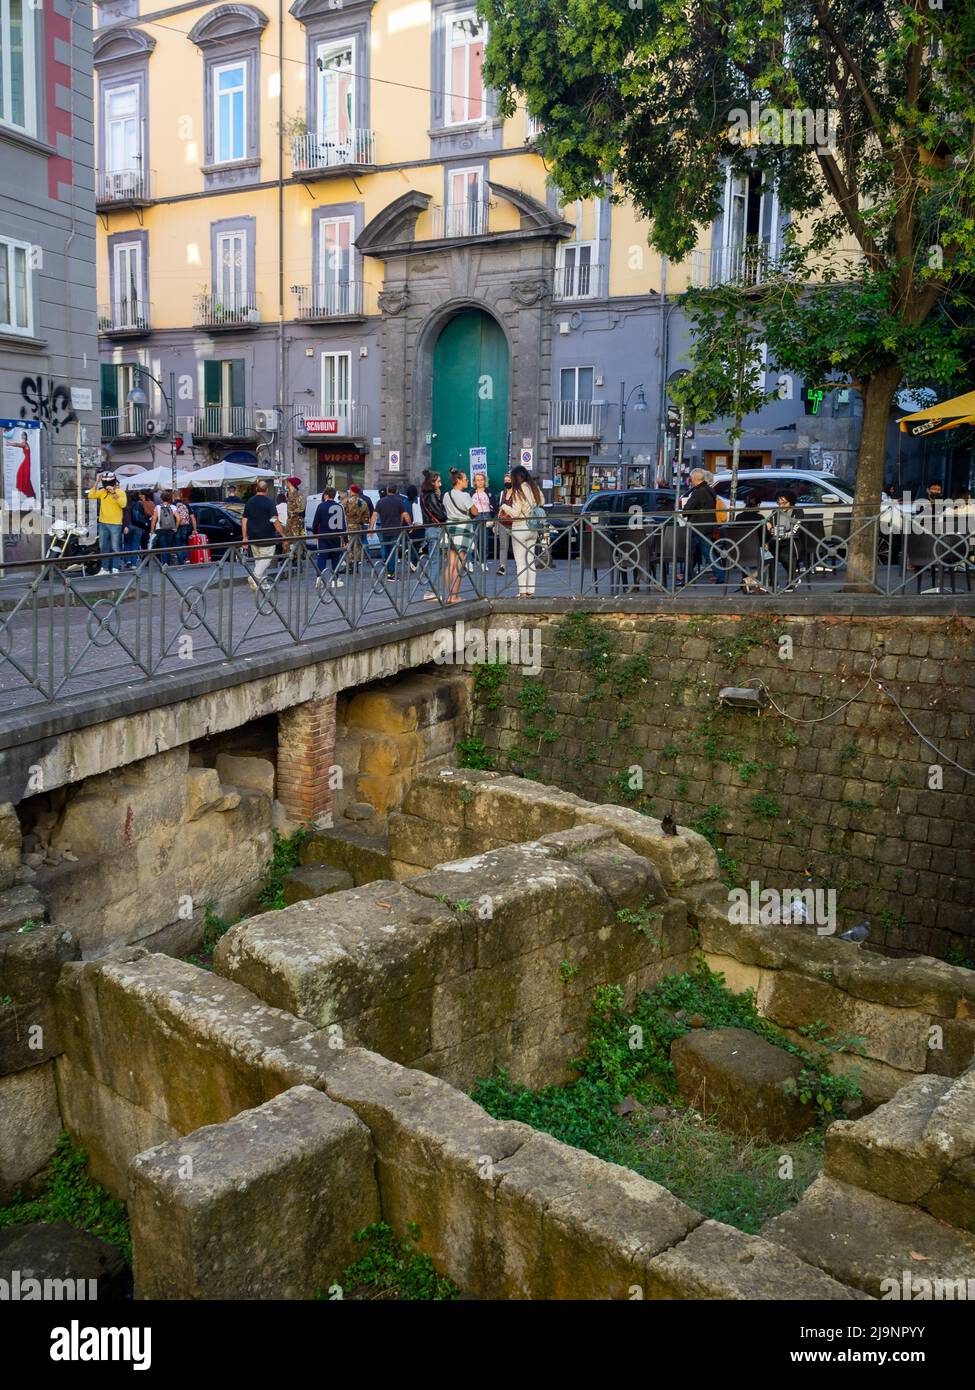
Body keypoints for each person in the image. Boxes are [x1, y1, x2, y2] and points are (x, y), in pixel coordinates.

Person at [499, 465, 544, 598]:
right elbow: (542, 500)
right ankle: (531, 591)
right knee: (530, 561)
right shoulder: (533, 487)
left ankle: (523, 592)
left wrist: (504, 506)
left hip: (520, 528)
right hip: (533, 528)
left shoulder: (518, 491)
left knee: (520, 562)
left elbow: (516, 513)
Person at [681, 468, 725, 584]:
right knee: (708, 552)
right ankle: (720, 576)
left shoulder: (697, 492)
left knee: (690, 553)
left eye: (690, 479)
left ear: (695, 479)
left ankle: (687, 578)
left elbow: (686, 510)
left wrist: (687, 510)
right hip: (707, 525)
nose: (690, 481)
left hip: (697, 527)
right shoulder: (710, 490)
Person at [242, 478, 285, 593]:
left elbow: (244, 521)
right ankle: (254, 577)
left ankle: (263, 583)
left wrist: (244, 537)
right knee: (266, 560)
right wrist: (283, 535)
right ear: (266, 490)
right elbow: (274, 520)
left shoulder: (249, 502)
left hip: (253, 537)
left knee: (259, 561)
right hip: (267, 536)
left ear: (257, 489)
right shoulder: (269, 502)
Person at [443, 468, 476, 602]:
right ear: (458, 481)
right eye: (465, 479)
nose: (467, 481)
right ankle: (454, 595)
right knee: (459, 563)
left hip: (450, 527)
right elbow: (475, 512)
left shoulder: (446, 495)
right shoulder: (465, 496)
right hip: (463, 527)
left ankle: (449, 595)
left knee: (450, 563)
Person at [87, 471, 127, 574]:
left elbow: (123, 504)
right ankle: (104, 568)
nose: (107, 485)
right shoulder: (102, 492)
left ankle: (115, 568)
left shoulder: (120, 492)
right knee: (104, 547)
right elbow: (91, 495)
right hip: (103, 523)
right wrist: (96, 482)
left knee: (115, 547)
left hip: (115, 524)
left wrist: (114, 493)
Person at [371, 485, 413, 577]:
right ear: (396, 490)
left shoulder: (380, 502)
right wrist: (410, 525)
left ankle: (387, 568)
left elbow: (374, 516)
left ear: (387, 490)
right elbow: (405, 514)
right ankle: (391, 572)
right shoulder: (399, 501)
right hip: (395, 530)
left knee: (386, 550)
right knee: (393, 551)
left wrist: (370, 529)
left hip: (384, 529)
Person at [311, 486, 347, 590]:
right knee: (335, 557)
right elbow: (342, 525)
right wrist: (345, 539)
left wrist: (315, 534)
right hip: (335, 536)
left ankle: (319, 578)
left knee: (321, 557)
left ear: (326, 495)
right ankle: (335, 578)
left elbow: (315, 523)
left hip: (323, 535)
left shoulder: (321, 506)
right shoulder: (339, 507)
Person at [420, 470, 447, 599]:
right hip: (435, 529)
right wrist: (440, 501)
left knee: (435, 560)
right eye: (438, 482)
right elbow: (441, 515)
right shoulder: (431, 496)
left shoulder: (424, 495)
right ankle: (430, 591)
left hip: (430, 528)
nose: (440, 484)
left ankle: (431, 590)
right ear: (432, 483)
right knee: (435, 561)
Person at [766, 490, 801, 589]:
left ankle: (793, 579)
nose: (781, 506)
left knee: (784, 556)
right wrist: (769, 526)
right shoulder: (775, 511)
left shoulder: (797, 511)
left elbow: (796, 530)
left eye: (784, 503)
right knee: (769, 556)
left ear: (791, 501)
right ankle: (773, 584)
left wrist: (783, 535)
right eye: (779, 503)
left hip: (792, 541)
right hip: (776, 541)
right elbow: (769, 522)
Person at [149, 489, 180, 565]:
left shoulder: (158, 507)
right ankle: (168, 563)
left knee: (163, 547)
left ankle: (164, 563)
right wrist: (176, 527)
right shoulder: (173, 507)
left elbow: (154, 519)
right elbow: (179, 518)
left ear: (161, 499)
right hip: (170, 529)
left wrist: (152, 530)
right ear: (169, 499)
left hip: (160, 529)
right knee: (169, 547)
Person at [343, 484, 371, 567]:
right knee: (357, 546)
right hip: (358, 527)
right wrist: (360, 522)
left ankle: (349, 565)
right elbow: (366, 516)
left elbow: (342, 513)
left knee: (348, 546)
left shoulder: (346, 501)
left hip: (348, 527)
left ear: (351, 491)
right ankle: (356, 564)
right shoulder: (363, 502)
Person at [470, 473, 494, 570]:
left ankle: (483, 562)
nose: (480, 482)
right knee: (473, 540)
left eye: (481, 479)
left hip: (486, 516)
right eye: (477, 480)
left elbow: (494, 506)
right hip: (475, 517)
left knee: (484, 541)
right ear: (474, 482)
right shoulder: (471, 493)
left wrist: (492, 518)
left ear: (485, 481)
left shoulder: (489, 492)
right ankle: (470, 561)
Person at [495, 472, 513, 575]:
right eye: (505, 481)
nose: (507, 483)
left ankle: (520, 566)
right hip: (503, 522)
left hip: (515, 522)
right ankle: (502, 567)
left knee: (516, 546)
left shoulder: (517, 493)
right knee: (503, 546)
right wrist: (496, 524)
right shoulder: (502, 493)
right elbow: (499, 509)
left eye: (509, 481)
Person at [173, 492, 197, 565]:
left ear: (173, 496)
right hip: (185, 526)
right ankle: (186, 559)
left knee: (177, 544)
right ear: (181, 496)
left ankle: (181, 562)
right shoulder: (186, 505)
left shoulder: (173, 505)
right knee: (184, 542)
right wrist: (195, 529)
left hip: (176, 526)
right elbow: (193, 518)